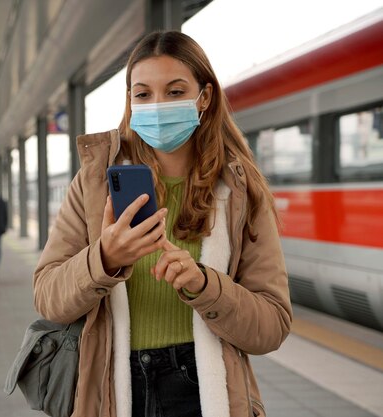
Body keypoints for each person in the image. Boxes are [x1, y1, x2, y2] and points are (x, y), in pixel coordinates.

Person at [33, 31, 292, 417]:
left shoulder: (240, 192)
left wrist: (205, 286)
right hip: (112, 387)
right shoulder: (95, 183)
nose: (157, 105)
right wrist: (104, 258)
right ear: (130, 101)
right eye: (143, 94)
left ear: (203, 98)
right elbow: (48, 298)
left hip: (200, 391)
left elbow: (272, 324)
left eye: (174, 92)